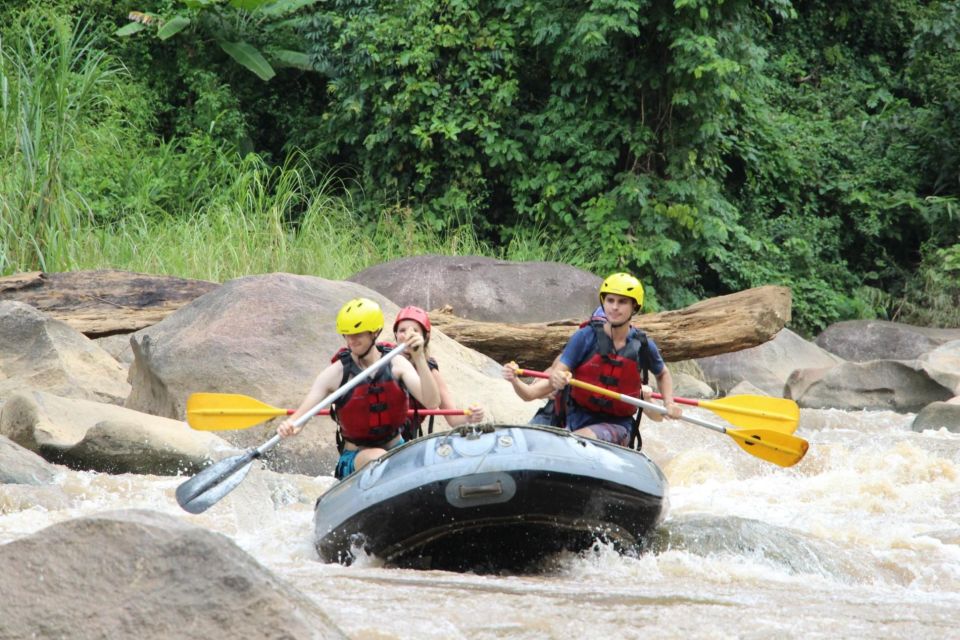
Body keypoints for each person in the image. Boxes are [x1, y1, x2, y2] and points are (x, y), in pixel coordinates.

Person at [277, 297, 440, 479]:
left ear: (375, 333)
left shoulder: (397, 363)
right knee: (379, 458)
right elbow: (299, 420)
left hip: (397, 450)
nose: (351, 340)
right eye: (347, 334)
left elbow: (432, 402)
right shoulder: (335, 373)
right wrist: (290, 425)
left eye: (358, 334)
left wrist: (419, 358)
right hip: (356, 459)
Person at [540, 272, 682, 446]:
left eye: (622, 302)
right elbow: (559, 369)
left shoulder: (643, 345)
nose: (615, 307)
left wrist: (669, 402)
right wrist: (557, 377)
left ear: (634, 307)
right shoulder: (585, 336)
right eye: (610, 300)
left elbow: (662, 374)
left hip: (618, 425)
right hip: (575, 415)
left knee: (580, 440)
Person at [392, 305, 485, 434]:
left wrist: (470, 416)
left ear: (425, 337)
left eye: (414, 331)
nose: (408, 335)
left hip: (402, 441)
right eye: (402, 330)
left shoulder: (430, 370)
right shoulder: (382, 358)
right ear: (396, 334)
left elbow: (453, 418)